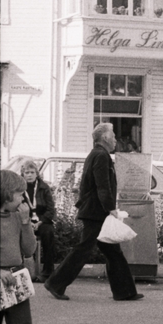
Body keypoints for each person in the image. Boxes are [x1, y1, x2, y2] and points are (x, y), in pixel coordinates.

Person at [44, 123, 143, 302]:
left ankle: (125, 291)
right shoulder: (101, 156)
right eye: (112, 136)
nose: (115, 139)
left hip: (95, 210)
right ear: (104, 138)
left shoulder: (97, 154)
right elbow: (102, 185)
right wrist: (110, 209)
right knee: (85, 249)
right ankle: (56, 283)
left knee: (112, 251)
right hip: (96, 212)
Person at [1, 170, 54, 324]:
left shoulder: (17, 216)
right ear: (4, 194)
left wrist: (25, 223)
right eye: (19, 194)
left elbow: (30, 249)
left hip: (16, 281)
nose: (24, 199)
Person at [20, 160, 56, 282]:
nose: (29, 175)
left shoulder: (44, 187)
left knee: (48, 233)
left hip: (42, 220)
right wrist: (27, 221)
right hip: (25, 221)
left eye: (32, 172)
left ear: (37, 174)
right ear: (23, 174)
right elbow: (15, 208)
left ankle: (47, 272)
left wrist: (40, 221)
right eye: (26, 172)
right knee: (17, 234)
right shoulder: (19, 188)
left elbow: (51, 209)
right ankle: (22, 270)